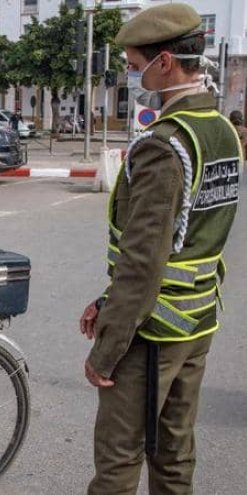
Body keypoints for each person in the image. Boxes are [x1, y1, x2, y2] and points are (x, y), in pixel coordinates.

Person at [78, 4, 242, 494]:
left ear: (165, 61)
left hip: (152, 331)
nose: (131, 74)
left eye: (133, 65)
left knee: (118, 462)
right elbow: (187, 238)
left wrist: (106, 351)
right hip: (196, 322)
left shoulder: (165, 144)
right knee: (174, 455)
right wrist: (107, 302)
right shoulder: (221, 131)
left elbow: (145, 260)